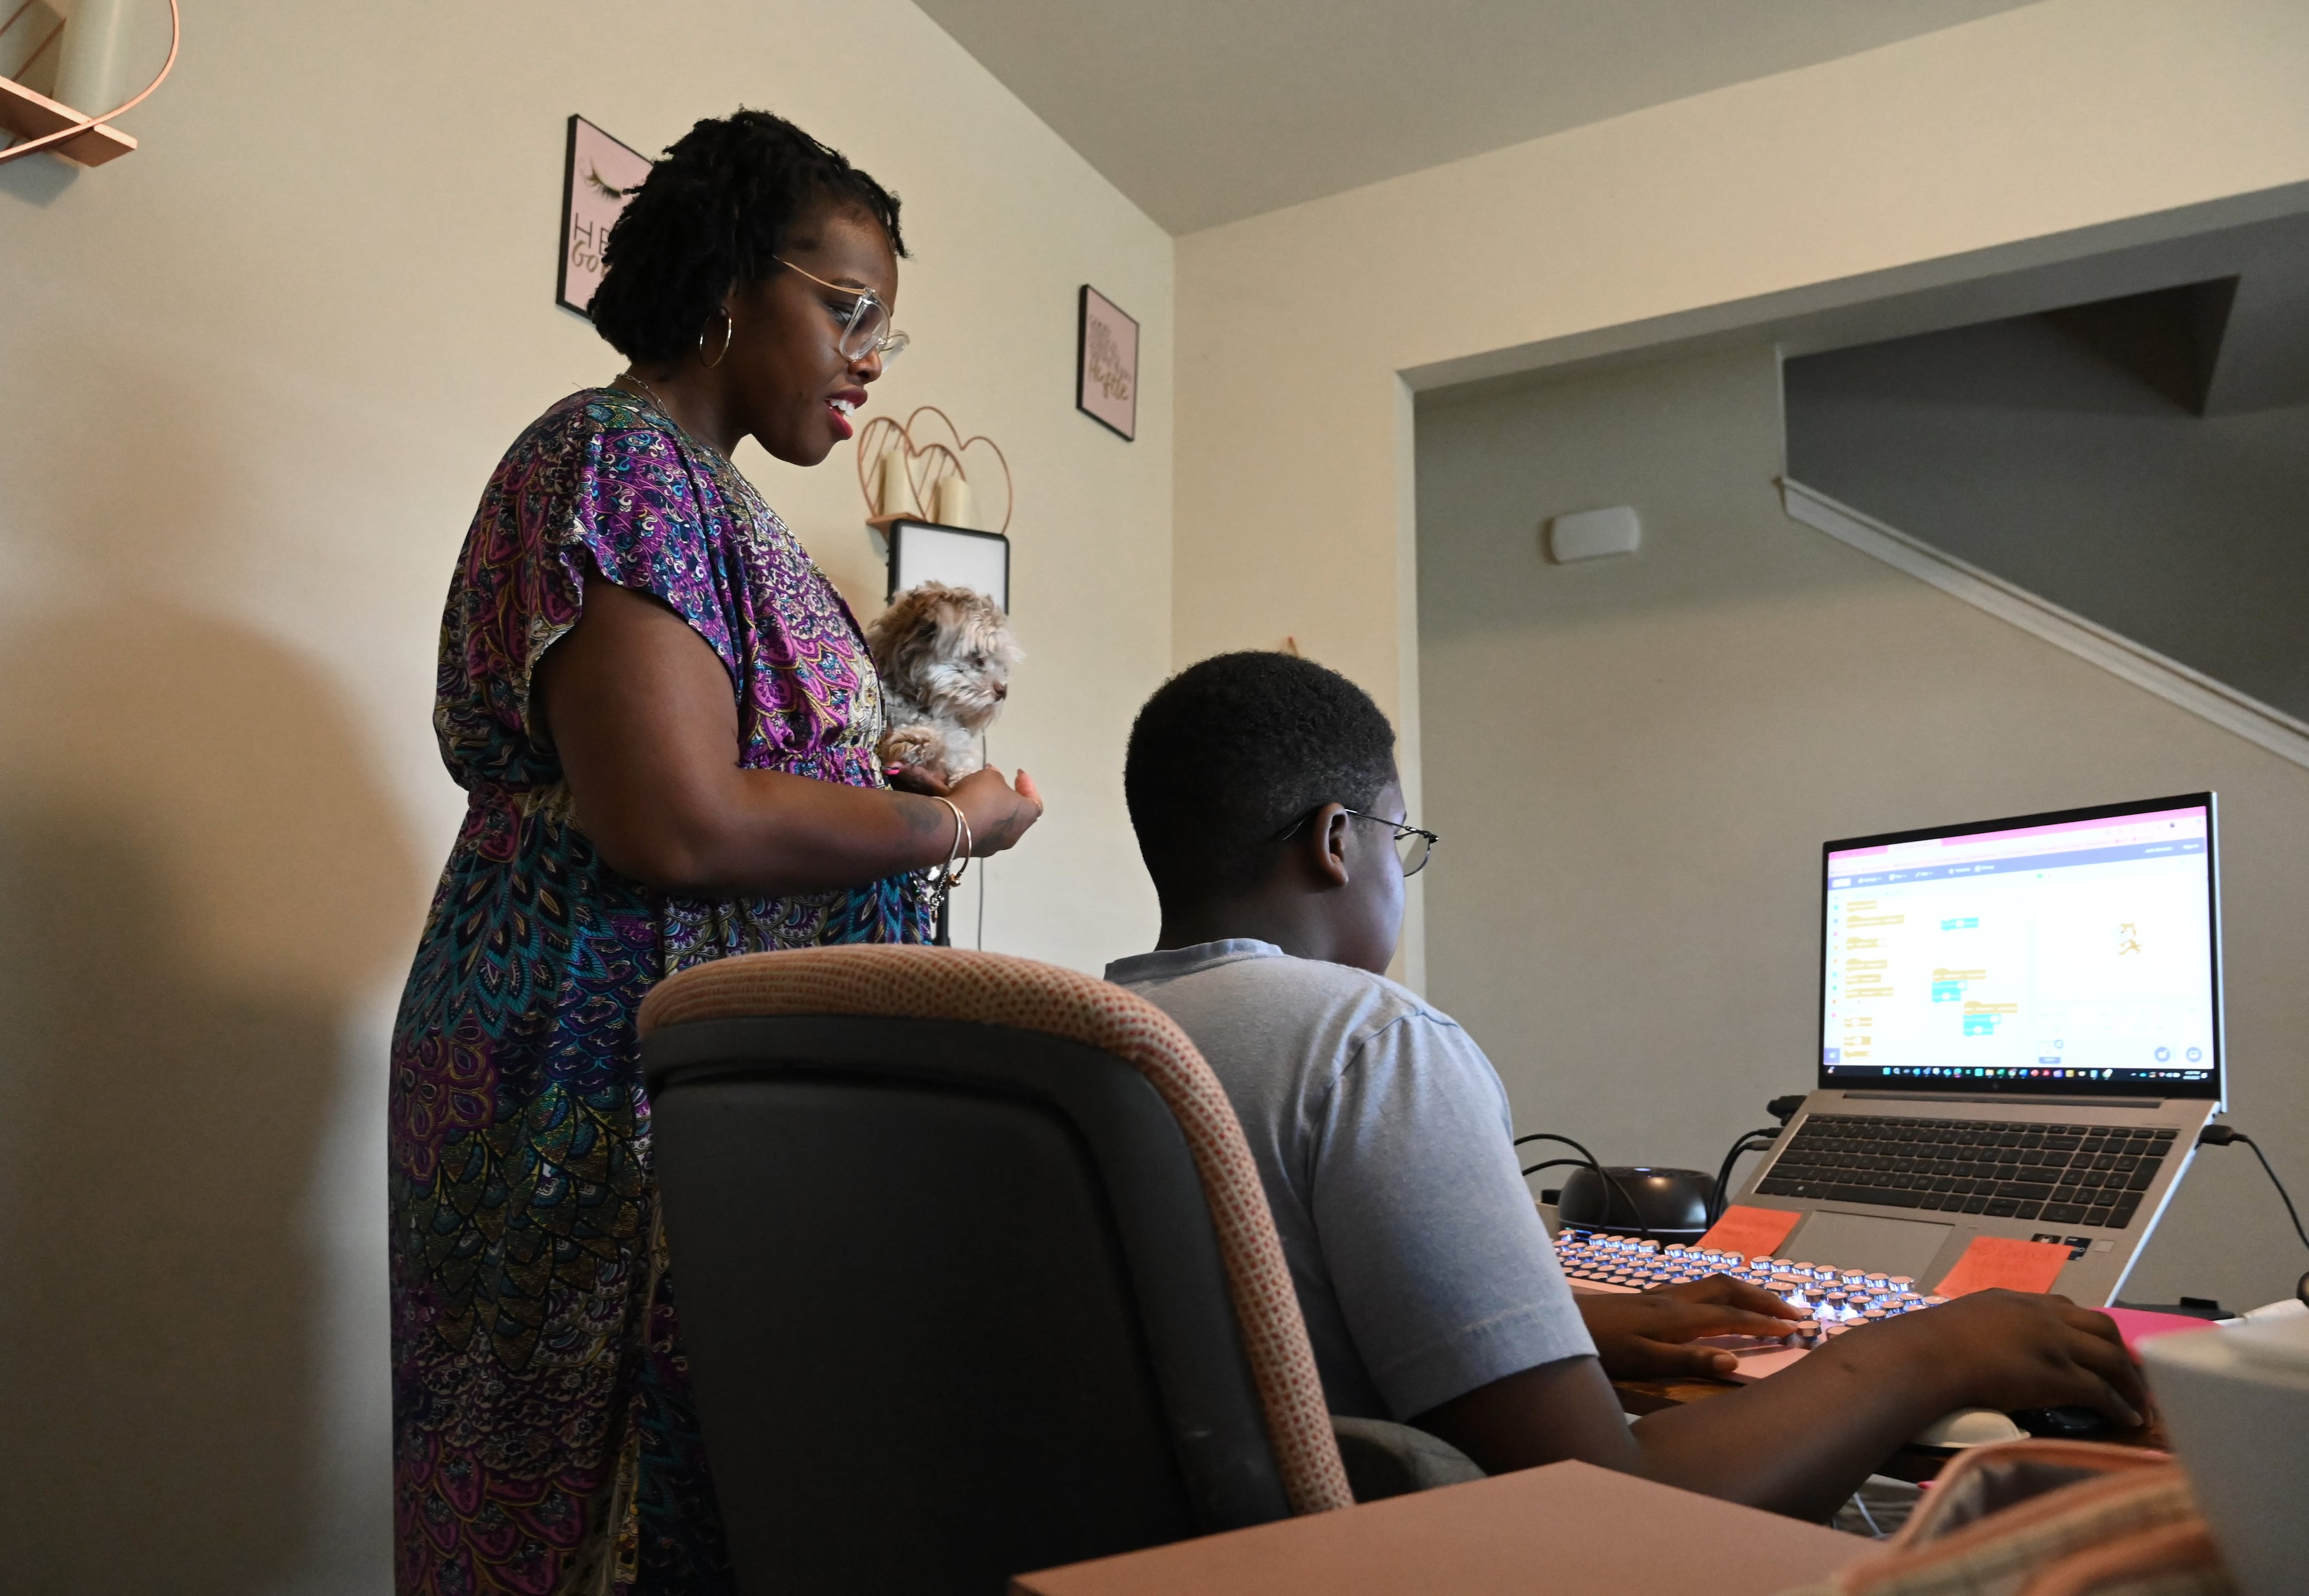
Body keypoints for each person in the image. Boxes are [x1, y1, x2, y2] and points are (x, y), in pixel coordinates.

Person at [389, 110, 1043, 1596]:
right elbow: (672, 815)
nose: (872, 353)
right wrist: (953, 821)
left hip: (701, 1059)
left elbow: (751, 766)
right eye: (846, 306)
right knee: (584, 1503)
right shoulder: (612, 457)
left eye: (889, 324)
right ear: (727, 281)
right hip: (589, 1055)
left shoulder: (733, 508)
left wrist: (861, 771)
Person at [1105, 651, 2146, 1520]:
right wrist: (1931, 1350)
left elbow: (1260, 1332)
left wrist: (1552, 1329)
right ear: (1338, 841)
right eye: (1402, 842)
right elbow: (1606, 1506)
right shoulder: (1370, 1042)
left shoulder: (1093, 1043)